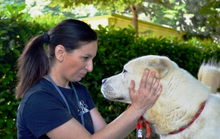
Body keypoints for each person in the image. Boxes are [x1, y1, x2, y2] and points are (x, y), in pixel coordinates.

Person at [15, 19, 162, 139]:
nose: (90, 68)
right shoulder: (38, 99)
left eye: (92, 59)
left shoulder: (79, 89)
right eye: (85, 58)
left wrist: (141, 106)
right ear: (60, 53)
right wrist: (137, 108)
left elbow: (108, 134)